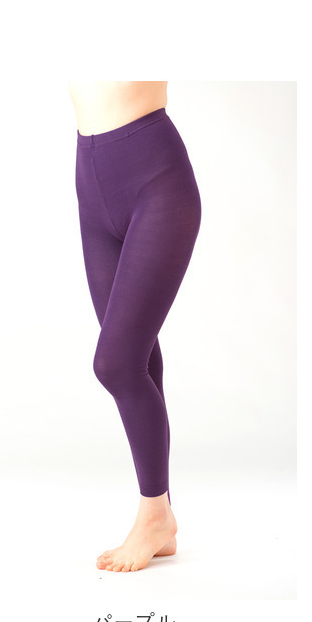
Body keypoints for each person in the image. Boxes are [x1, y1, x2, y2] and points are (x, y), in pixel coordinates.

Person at [69, 81, 201, 572]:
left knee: (116, 364)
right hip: (90, 180)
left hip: (155, 177)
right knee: (137, 357)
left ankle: (154, 514)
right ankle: (161, 518)